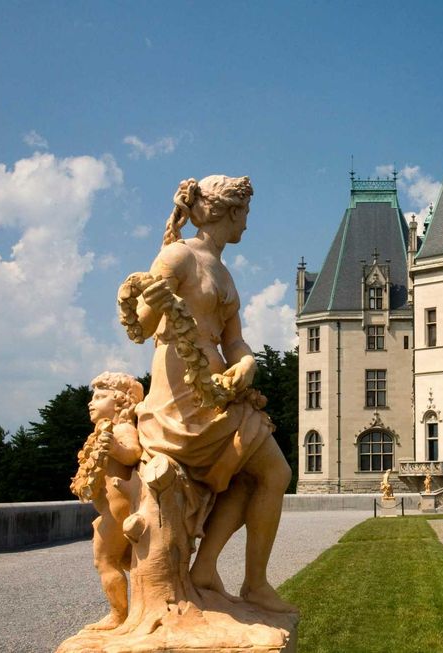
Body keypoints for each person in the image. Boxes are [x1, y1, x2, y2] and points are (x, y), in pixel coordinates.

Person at [133, 175, 294, 613]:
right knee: (273, 473)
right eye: (245, 214)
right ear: (230, 212)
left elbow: (234, 340)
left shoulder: (222, 270)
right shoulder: (177, 255)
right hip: (182, 393)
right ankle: (248, 582)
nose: (247, 225)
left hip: (219, 388)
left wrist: (246, 362)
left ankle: (217, 572)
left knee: (266, 474)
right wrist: (152, 297)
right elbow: (142, 326)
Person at [70, 372, 144, 630]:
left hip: (117, 511)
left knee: (104, 560)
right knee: (128, 562)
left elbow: (133, 454)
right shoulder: (106, 432)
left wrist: (114, 448)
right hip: (112, 509)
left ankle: (118, 615)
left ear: (121, 402)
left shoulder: (122, 428)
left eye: (100, 397)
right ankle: (138, 609)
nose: (91, 402)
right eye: (93, 397)